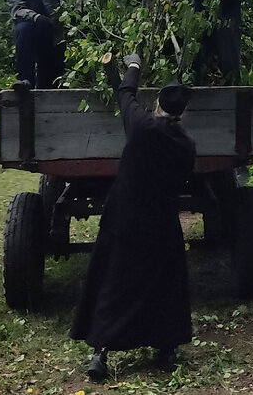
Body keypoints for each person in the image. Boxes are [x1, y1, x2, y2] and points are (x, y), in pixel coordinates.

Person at [71, 53, 197, 382]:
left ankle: (100, 353)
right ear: (182, 113)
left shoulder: (141, 127)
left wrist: (132, 66)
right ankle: (166, 349)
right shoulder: (186, 146)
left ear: (157, 106)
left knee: (114, 282)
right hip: (160, 222)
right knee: (165, 283)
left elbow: (125, 95)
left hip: (124, 218)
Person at [4, 0, 89, 89]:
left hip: (55, 34)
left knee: (52, 80)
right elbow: (17, 10)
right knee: (22, 28)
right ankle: (26, 80)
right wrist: (36, 18)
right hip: (31, 36)